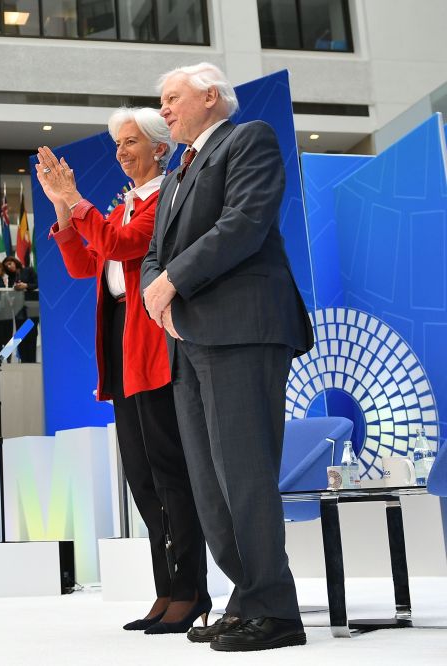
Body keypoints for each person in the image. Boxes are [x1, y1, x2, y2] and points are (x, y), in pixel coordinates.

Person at [141, 62, 314, 652]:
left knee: (244, 474)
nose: (162, 110)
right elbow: (153, 252)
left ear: (210, 96)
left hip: (243, 331)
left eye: (171, 98)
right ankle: (246, 600)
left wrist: (173, 282)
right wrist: (151, 288)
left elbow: (243, 224)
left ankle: (276, 610)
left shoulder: (249, 140)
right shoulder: (175, 170)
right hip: (187, 341)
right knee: (210, 485)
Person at [38, 105, 208, 634]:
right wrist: (66, 213)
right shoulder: (124, 203)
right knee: (140, 475)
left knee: (169, 471)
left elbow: (119, 244)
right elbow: (85, 264)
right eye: (118, 144)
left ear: (160, 147)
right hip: (119, 342)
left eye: (131, 142)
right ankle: (165, 590)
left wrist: (74, 200)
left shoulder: (167, 198)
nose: (121, 152)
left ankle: (191, 590)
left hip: (153, 345)